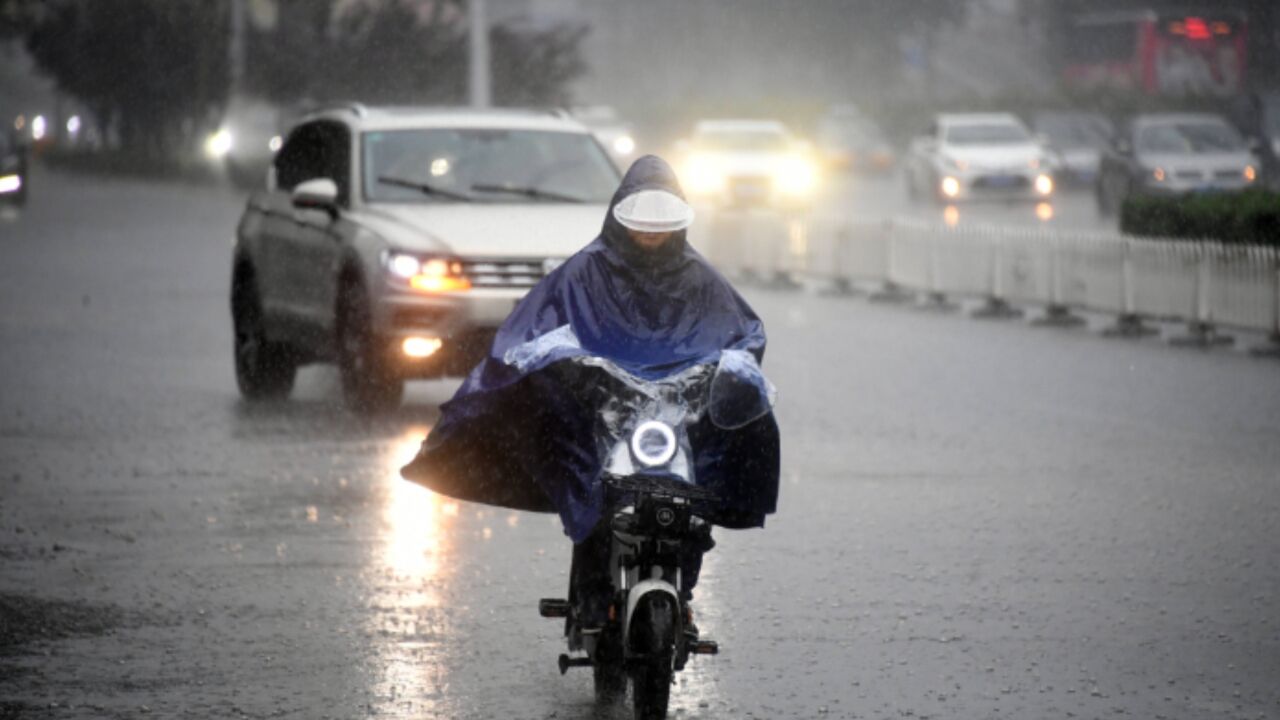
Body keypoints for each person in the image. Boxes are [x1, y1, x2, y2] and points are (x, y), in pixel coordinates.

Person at [402, 154, 779, 626]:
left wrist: (729, 367)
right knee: (596, 498)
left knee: (693, 507)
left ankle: (683, 595)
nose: (650, 235)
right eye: (642, 225)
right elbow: (531, 332)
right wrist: (563, 363)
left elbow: (742, 333)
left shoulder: (700, 279)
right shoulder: (584, 272)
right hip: (602, 414)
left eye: (659, 226)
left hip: (674, 418)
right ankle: (591, 596)